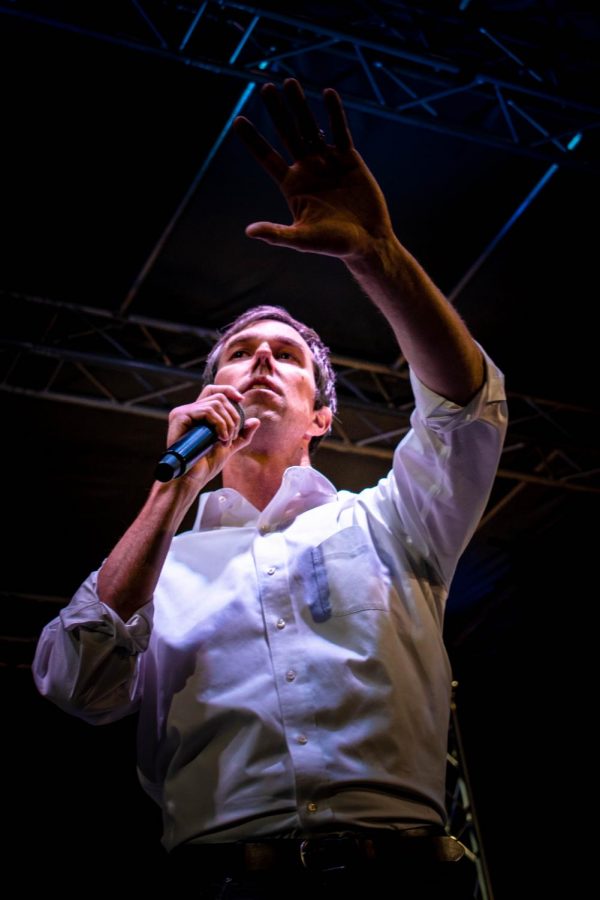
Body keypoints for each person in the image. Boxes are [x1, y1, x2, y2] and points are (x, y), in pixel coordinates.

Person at [33, 79, 507, 898]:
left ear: (322, 415)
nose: (258, 359)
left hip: (402, 877)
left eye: (283, 354)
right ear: (206, 393)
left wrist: (376, 251)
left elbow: (467, 409)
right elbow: (78, 685)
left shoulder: (390, 522)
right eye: (239, 352)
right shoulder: (163, 572)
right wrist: (172, 492)